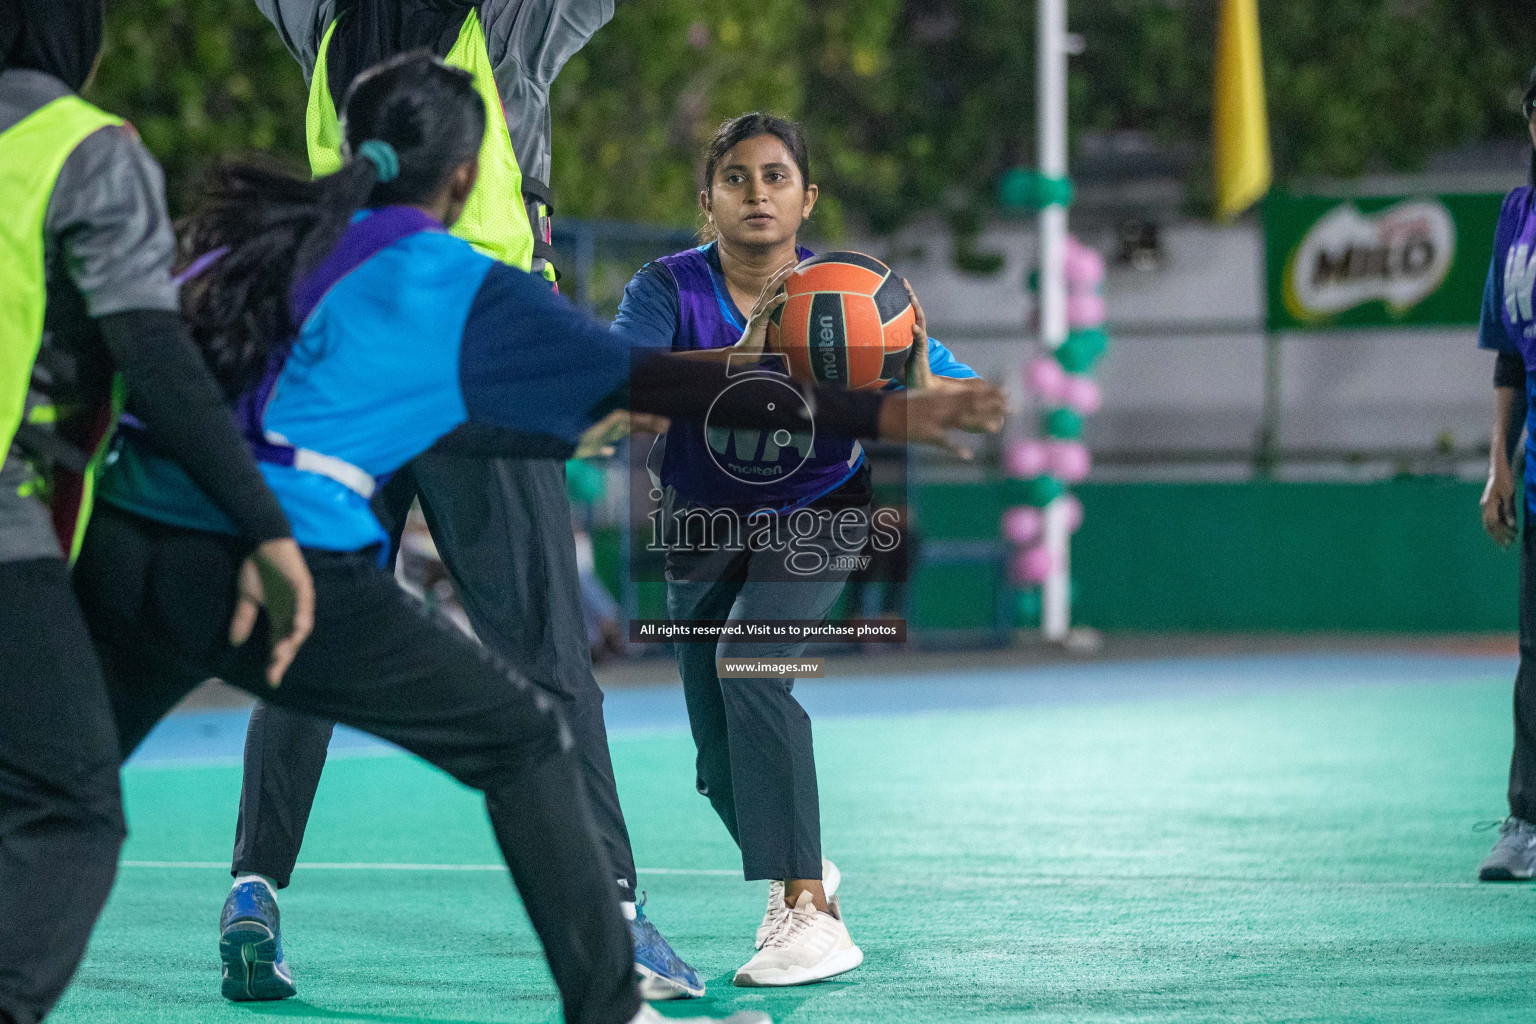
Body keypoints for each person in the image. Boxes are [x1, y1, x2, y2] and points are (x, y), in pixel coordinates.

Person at [73, 52, 1001, 1024]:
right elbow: (647, 388)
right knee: (527, 730)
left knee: (57, 782)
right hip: (288, 557)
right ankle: (617, 977)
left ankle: (248, 885)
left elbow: (127, 360)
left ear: (346, 148)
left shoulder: (240, 243)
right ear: (472, 175)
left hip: (134, 541)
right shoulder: (459, 280)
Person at [234, 0, 708, 1001]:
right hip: (473, 344)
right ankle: (614, 913)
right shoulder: (504, 22)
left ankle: (252, 891)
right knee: (546, 644)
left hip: (348, 350)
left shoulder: (324, 22)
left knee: (305, 630)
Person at [612, 112, 987, 986]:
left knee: (751, 666)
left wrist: (940, 392)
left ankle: (809, 912)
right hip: (703, 528)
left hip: (819, 513)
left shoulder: (850, 292)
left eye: (776, 177)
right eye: (736, 178)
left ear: (807, 198)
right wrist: (740, 361)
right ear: (706, 202)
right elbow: (621, 379)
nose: (756, 193)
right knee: (717, 764)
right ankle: (805, 865)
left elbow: (944, 375)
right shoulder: (665, 290)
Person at [0, 3, 315, 1022]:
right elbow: (151, 352)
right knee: (69, 804)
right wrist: (261, 518)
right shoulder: (85, 149)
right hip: (13, 514)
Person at [1476, 66, 1536, 882]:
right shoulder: (1516, 218)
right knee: (1535, 655)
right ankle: (1527, 823)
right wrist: (1499, 464)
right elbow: (1510, 356)